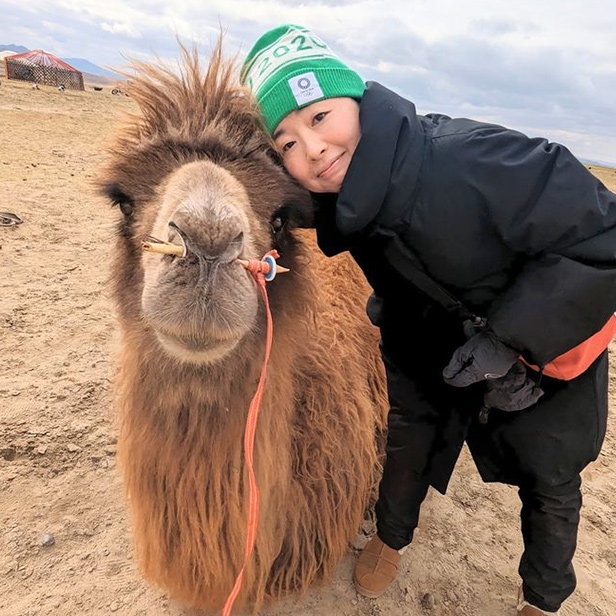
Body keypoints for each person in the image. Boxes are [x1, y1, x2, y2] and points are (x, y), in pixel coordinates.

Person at [241, 24, 616, 616]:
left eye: (319, 117)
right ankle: (392, 537)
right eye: (286, 143)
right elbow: (277, 205)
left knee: (550, 475)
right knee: (409, 440)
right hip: (424, 339)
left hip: (542, 345)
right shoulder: (343, 190)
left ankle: (543, 600)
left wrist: (511, 338)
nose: (311, 149)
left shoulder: (477, 157)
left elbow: (605, 236)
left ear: (356, 99)